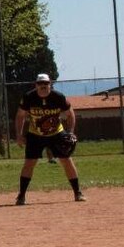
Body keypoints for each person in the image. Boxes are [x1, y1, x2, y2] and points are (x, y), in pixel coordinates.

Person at [14, 72, 84, 205]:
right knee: (29, 163)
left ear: (50, 84)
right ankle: (21, 196)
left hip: (56, 133)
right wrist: (19, 134)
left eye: (46, 83)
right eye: (40, 83)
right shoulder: (29, 97)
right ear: (36, 85)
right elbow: (20, 116)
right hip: (35, 134)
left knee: (66, 161)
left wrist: (71, 132)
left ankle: (78, 192)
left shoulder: (58, 97)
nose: (43, 86)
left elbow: (70, 114)